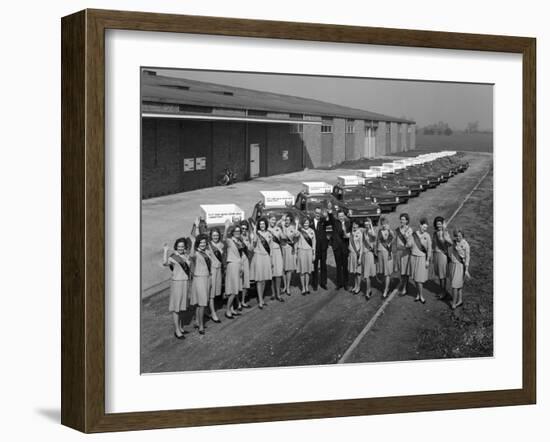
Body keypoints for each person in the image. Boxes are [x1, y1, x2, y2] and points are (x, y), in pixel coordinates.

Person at [162, 237, 192, 339]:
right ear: (176, 247)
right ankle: (177, 330)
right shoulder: (173, 257)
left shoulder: (186, 256)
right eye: (179, 246)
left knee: (181, 306)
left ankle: (180, 327)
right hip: (177, 283)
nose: (180, 248)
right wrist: (165, 251)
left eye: (182, 246)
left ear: (184, 247)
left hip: (185, 283)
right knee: (176, 307)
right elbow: (165, 263)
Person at [190, 233, 211, 334]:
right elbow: (191, 255)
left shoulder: (206, 251)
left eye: (204, 242)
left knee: (200, 303)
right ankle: (201, 326)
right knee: (202, 303)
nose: (203, 244)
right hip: (199, 279)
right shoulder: (196, 253)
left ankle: (198, 322)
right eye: (201, 242)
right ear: (198, 243)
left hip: (206, 278)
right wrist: (194, 241)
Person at [223, 224, 246, 319]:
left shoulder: (240, 241)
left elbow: (241, 255)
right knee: (233, 290)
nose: (237, 233)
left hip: (238, 265)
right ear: (232, 232)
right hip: (232, 265)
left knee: (235, 289)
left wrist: (241, 266)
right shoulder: (229, 240)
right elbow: (224, 239)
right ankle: (227, 310)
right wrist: (226, 227)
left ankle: (232, 309)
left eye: (239, 231)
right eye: (236, 231)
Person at [250, 217, 272, 309]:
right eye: (260, 224)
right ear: (258, 225)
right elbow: (253, 244)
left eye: (263, 224)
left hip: (266, 257)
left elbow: (270, 247)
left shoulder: (269, 234)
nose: (262, 225)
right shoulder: (255, 234)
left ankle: (262, 298)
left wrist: (271, 259)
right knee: (259, 280)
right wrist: (255, 231)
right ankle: (260, 300)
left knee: (264, 280)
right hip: (258, 257)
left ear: (265, 224)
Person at [328, 203, 350, 290]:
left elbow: (350, 235)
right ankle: (339, 283)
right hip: (337, 248)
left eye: (342, 216)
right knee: (338, 266)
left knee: (345, 266)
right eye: (339, 216)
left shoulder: (348, 224)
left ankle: (346, 284)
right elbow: (330, 217)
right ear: (337, 216)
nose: (341, 217)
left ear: (344, 216)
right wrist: (330, 209)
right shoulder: (335, 222)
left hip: (345, 248)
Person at [410, 217, 432, 304]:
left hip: (422, 258)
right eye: (424, 227)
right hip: (413, 257)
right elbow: (410, 245)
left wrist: (427, 260)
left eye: (426, 228)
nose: (425, 229)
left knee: (420, 279)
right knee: (415, 278)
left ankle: (421, 296)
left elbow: (429, 249)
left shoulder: (427, 236)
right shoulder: (414, 234)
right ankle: (418, 295)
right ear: (420, 226)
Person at [448, 228, 471, 309]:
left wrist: (467, 269)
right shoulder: (453, 243)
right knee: (459, 285)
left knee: (454, 285)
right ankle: (460, 300)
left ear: (463, 236)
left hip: (460, 266)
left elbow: (467, 257)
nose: (458, 238)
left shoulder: (465, 244)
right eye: (456, 236)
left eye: (459, 236)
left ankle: (454, 303)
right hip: (453, 265)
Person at [432, 216, 453, 299]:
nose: (439, 225)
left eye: (440, 224)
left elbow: (450, 243)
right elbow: (434, 245)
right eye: (437, 224)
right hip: (436, 254)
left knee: (442, 275)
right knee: (439, 274)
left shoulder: (445, 232)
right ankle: (442, 291)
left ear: (442, 224)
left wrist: (444, 235)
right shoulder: (435, 232)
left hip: (442, 255)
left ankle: (444, 292)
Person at [207, 228, 224, 323]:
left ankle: (207, 309)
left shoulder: (221, 244)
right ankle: (213, 313)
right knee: (211, 293)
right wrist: (197, 227)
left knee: (216, 291)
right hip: (212, 271)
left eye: (217, 235)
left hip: (219, 270)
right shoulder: (208, 245)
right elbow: (198, 239)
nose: (215, 237)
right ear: (211, 236)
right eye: (214, 235)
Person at [296, 216, 316, 295]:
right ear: (302, 223)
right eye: (304, 223)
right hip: (301, 251)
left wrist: (314, 253)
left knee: (308, 271)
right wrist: (297, 224)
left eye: (307, 222)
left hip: (309, 252)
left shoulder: (312, 231)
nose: (306, 224)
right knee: (302, 271)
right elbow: (295, 235)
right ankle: (303, 288)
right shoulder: (300, 231)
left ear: (309, 223)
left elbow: (314, 243)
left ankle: (307, 287)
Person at [311, 207, 330, 290]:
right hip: (314, 248)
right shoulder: (310, 222)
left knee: (323, 266)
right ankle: (314, 284)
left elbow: (330, 221)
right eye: (316, 212)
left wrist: (328, 212)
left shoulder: (323, 221)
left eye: (319, 213)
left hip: (323, 248)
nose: (318, 214)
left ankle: (323, 283)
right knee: (314, 267)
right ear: (314, 213)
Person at [394, 213, 413, 295]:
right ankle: (403, 284)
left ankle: (405, 288)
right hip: (399, 252)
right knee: (401, 270)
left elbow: (410, 242)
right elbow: (395, 241)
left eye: (403, 219)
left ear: (407, 221)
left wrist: (405, 235)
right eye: (401, 219)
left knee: (405, 271)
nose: (402, 221)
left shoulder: (409, 229)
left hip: (405, 252)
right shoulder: (397, 229)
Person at [280, 214, 299, 295]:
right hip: (282, 250)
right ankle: (284, 286)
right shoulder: (281, 227)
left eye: (288, 220)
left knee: (289, 270)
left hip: (290, 250)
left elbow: (297, 235)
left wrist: (297, 225)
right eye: (286, 220)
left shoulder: (292, 228)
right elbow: (282, 236)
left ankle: (287, 287)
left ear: (290, 221)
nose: (286, 221)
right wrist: (281, 219)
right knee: (283, 269)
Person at [376, 216, 394, 298]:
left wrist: (389, 230)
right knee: (382, 272)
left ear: (388, 224)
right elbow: (377, 241)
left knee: (387, 273)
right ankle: (386, 285)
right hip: (380, 253)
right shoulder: (379, 231)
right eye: (382, 224)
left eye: (385, 224)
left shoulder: (390, 232)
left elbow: (393, 239)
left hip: (387, 253)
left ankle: (386, 290)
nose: (383, 225)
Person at [268, 215, 285, 302]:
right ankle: (273, 293)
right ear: (269, 220)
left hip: (278, 251)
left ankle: (278, 294)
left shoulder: (278, 228)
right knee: (271, 273)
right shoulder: (266, 229)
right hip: (269, 253)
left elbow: (284, 237)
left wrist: (282, 227)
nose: (273, 221)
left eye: (274, 220)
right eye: (272, 220)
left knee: (278, 273)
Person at [238, 220, 253, 309]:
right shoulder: (236, 237)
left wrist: (251, 240)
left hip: (246, 260)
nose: (244, 230)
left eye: (245, 228)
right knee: (238, 281)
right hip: (238, 261)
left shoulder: (248, 237)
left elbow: (250, 249)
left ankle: (243, 301)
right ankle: (238, 302)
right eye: (242, 228)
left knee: (245, 281)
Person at [361, 218, 377, 299]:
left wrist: (371, 226)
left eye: (368, 224)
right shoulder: (363, 231)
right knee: (366, 274)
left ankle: (367, 292)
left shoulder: (371, 232)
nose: (366, 226)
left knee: (367, 275)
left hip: (369, 254)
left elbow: (374, 236)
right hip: (363, 254)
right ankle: (369, 289)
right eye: (365, 224)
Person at [348, 220, 364, 294]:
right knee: (354, 272)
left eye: (356, 225)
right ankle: (355, 285)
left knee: (358, 272)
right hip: (352, 255)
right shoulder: (351, 233)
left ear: (358, 226)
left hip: (357, 255)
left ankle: (359, 287)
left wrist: (360, 257)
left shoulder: (360, 233)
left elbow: (361, 246)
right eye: (353, 225)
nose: (354, 226)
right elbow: (345, 235)